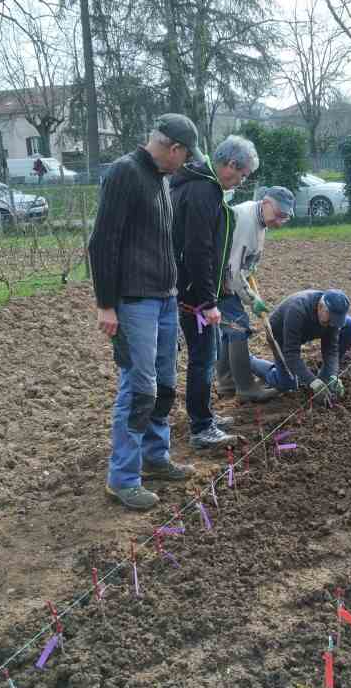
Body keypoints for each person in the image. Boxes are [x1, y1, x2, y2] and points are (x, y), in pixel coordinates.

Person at [88, 113, 203, 511]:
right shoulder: (125, 173)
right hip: (135, 302)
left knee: (164, 386)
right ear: (174, 149)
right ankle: (123, 479)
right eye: (185, 156)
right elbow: (102, 242)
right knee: (139, 391)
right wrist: (106, 304)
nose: (185, 164)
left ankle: (156, 458)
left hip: (164, 298)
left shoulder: (160, 180)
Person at [171, 135, 259, 449]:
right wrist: (208, 301)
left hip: (188, 288)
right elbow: (198, 249)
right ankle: (202, 428)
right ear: (230, 166)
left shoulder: (201, 184)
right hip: (192, 293)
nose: (242, 180)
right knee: (203, 357)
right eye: (242, 174)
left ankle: (204, 415)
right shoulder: (202, 190)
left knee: (203, 356)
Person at [215, 185, 296, 403]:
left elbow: (246, 264)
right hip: (220, 281)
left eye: (285, 218)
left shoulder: (260, 219)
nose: (279, 222)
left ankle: (226, 381)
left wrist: (251, 284)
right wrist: (252, 300)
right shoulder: (246, 220)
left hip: (230, 279)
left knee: (229, 329)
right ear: (267, 203)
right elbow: (232, 270)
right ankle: (246, 387)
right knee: (239, 326)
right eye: (278, 216)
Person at [248, 289, 351, 400]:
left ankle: (324, 377)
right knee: (287, 384)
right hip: (279, 335)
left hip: (304, 330)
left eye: (335, 322)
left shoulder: (331, 317)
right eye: (329, 321)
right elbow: (291, 353)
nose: (331, 325)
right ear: (320, 307)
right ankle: (248, 361)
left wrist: (332, 374)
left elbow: (331, 349)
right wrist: (312, 381)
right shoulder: (297, 310)